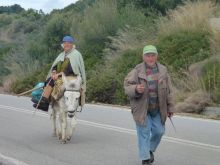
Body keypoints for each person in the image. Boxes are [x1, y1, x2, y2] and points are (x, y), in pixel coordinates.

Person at [124, 45, 174, 165]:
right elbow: (127, 87)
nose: (150, 58)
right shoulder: (136, 71)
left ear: (156, 56)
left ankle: (149, 150)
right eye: (148, 55)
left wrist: (170, 107)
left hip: (158, 108)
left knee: (159, 131)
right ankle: (145, 158)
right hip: (142, 109)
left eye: (153, 55)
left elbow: (169, 90)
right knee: (144, 132)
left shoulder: (163, 70)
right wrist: (136, 88)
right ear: (143, 57)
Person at [34, 35, 86, 111]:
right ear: (63, 45)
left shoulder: (76, 54)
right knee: (49, 80)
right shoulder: (62, 54)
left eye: (69, 43)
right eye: (65, 43)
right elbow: (55, 65)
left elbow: (71, 69)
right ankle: (45, 102)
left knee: (55, 81)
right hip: (61, 75)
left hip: (72, 76)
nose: (67, 45)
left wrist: (58, 75)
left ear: (72, 44)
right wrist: (54, 72)